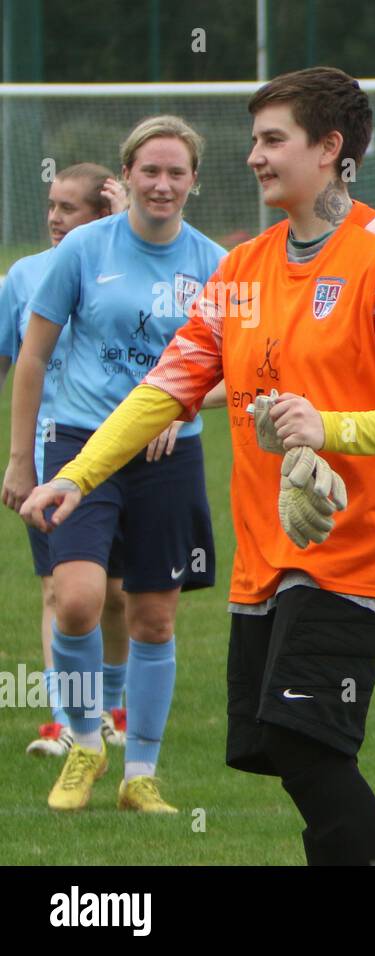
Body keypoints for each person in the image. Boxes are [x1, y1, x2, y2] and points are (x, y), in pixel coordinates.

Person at [21, 67, 375, 866]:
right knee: (281, 751)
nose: (253, 157)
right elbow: (165, 390)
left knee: (309, 745)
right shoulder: (240, 269)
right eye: (252, 141)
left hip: (354, 556)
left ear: (329, 150)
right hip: (265, 558)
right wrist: (76, 475)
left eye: (271, 140)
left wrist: (330, 427)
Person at [5, 119, 226, 814]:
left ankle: (141, 774)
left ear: (194, 180)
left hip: (168, 457)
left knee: (153, 618)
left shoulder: (216, 264)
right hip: (75, 447)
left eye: (176, 172)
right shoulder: (83, 250)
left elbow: (244, 371)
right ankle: (83, 743)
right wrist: (20, 460)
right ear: (125, 177)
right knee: (74, 600)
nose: (162, 184)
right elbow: (33, 357)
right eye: (149, 171)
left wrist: (178, 408)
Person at [0, 164, 134, 758]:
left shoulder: (129, 269)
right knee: (62, 592)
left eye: (70, 208)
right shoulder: (22, 277)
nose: (55, 218)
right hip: (49, 461)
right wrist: (16, 459)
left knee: (119, 595)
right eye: (51, 205)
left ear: (102, 215)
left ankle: (116, 710)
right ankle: (64, 725)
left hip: (124, 459)